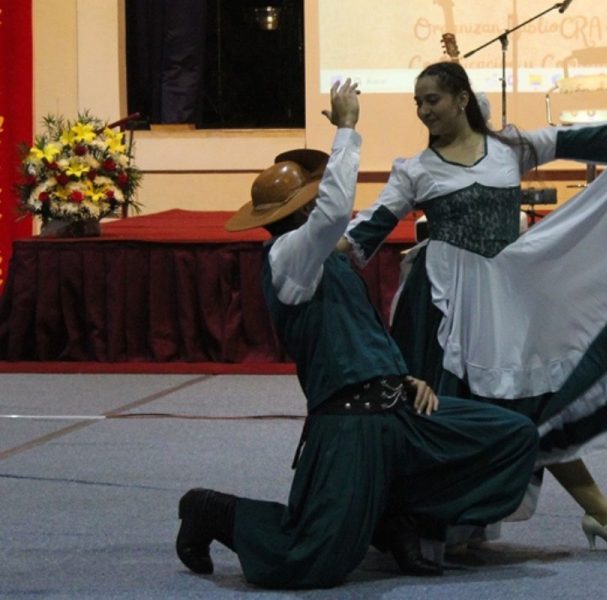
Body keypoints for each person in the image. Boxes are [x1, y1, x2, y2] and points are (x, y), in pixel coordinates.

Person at [338, 61, 607, 555]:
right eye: (418, 102)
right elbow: (365, 234)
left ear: (462, 99)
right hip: (440, 310)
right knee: (436, 417)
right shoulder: (415, 170)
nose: (424, 110)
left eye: (433, 99)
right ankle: (436, 526)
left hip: (504, 303)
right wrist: (310, 246)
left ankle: (603, 516)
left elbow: (594, 134)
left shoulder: (512, 148)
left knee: (529, 411)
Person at [174, 79, 539, 590]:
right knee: (312, 560)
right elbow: (334, 213)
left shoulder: (325, 261)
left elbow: (362, 332)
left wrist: (407, 376)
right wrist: (347, 129)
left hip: (399, 411)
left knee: (511, 437)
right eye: (310, 195)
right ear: (298, 212)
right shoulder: (288, 257)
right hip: (349, 426)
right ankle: (212, 510)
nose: (317, 198)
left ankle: (398, 518)